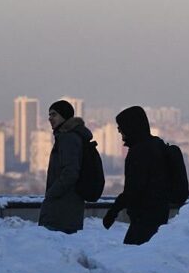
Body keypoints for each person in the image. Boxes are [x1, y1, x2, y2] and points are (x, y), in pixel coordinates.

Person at [103, 106, 170, 245]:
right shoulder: (156, 145)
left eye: (121, 127)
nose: (119, 131)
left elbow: (134, 188)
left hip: (145, 217)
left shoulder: (140, 151)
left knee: (132, 257)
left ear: (131, 127)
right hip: (157, 213)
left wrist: (113, 212)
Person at [38, 100, 93, 234]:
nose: (50, 118)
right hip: (67, 209)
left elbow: (70, 172)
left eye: (54, 114)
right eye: (49, 115)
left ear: (64, 116)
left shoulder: (68, 138)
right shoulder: (68, 137)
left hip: (61, 211)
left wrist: (51, 194)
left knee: (55, 250)